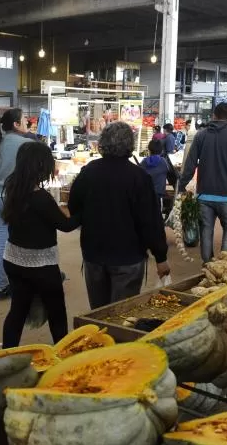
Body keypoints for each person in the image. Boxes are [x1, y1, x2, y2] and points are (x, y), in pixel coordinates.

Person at [69, 121, 170, 309]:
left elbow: (74, 206)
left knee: (99, 313)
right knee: (121, 315)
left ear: (103, 143)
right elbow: (150, 221)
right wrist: (160, 256)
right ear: (129, 144)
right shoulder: (139, 177)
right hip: (128, 256)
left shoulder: (89, 171)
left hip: (94, 254)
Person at [1, 142, 80, 347]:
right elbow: (66, 226)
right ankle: (62, 357)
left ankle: (7, 355)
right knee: (57, 312)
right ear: (40, 166)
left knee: (18, 310)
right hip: (41, 265)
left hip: (13, 259)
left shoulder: (13, 189)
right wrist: (84, 212)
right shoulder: (41, 197)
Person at [179, 103, 227, 264]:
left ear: (214, 115)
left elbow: (190, 164)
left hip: (204, 195)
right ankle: (224, 263)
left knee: (206, 230)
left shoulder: (201, 136)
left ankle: (208, 264)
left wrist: (181, 186)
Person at [0, 109, 33, 301]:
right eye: (24, 120)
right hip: (17, 198)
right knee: (27, 243)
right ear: (16, 123)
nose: (27, 124)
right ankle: (30, 283)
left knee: (3, 244)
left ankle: (1, 286)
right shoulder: (27, 144)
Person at [141, 139, 178, 216]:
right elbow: (172, 175)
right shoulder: (164, 162)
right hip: (158, 195)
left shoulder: (143, 162)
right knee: (156, 217)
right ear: (161, 151)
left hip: (144, 196)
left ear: (149, 150)